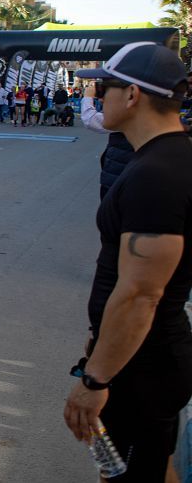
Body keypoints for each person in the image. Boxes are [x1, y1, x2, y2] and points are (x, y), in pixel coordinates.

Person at [63, 44, 191, 482]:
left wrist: (95, 381)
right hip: (140, 357)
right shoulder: (162, 160)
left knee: (126, 475)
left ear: (133, 95)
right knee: (149, 468)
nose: (98, 95)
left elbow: (142, 293)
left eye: (104, 86)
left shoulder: (158, 174)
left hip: (144, 365)